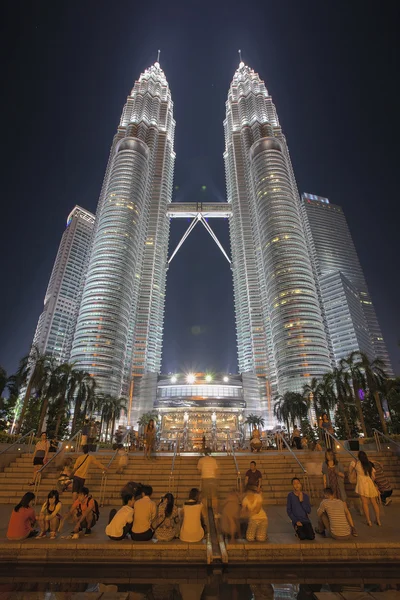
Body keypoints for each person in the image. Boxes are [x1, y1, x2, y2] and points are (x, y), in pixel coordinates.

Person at [349, 451, 381, 526]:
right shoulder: (369, 464)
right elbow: (373, 477)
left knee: (364, 503)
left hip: (361, 484)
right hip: (369, 483)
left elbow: (350, 470)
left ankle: (368, 521)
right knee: (374, 503)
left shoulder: (356, 463)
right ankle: (378, 520)